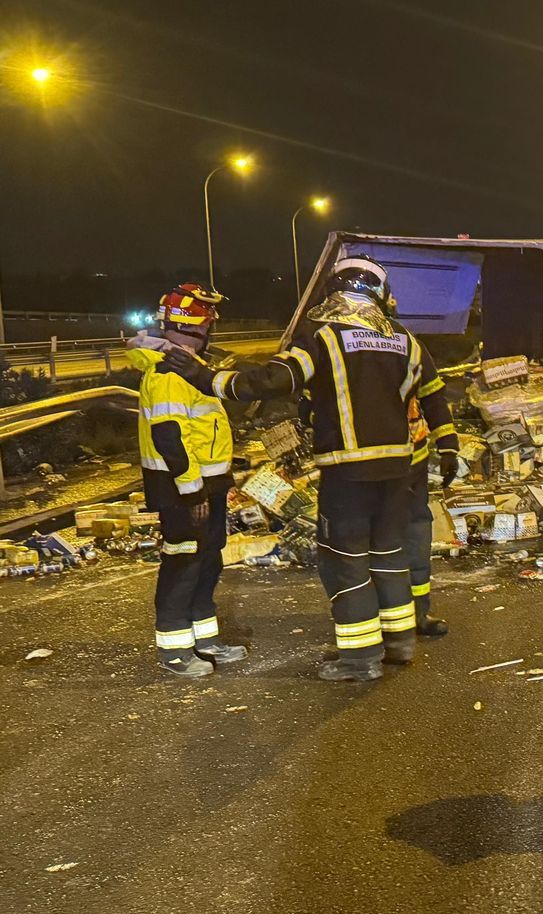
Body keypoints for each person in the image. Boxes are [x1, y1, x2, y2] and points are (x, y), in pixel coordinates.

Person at [168, 257, 458, 682]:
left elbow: (274, 380)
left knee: (346, 561)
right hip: (399, 469)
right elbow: (431, 395)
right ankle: (398, 643)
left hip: (349, 472)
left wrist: (206, 377)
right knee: (389, 555)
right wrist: (447, 446)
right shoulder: (405, 339)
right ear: (379, 292)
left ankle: (360, 659)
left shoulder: (322, 335)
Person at [128, 284, 246, 677]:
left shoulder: (188, 369)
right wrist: (192, 488)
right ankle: (176, 651)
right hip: (181, 488)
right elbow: (169, 437)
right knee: (183, 564)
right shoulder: (167, 374)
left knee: (207, 560)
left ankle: (205, 639)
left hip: (205, 484)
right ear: (198, 326)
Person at [404, 387, 457, 637]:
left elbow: (432, 396)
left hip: (412, 460)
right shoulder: (333, 349)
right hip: (363, 466)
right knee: (375, 539)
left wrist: (448, 446)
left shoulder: (411, 349)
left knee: (415, 534)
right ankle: (381, 616)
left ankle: (418, 612)